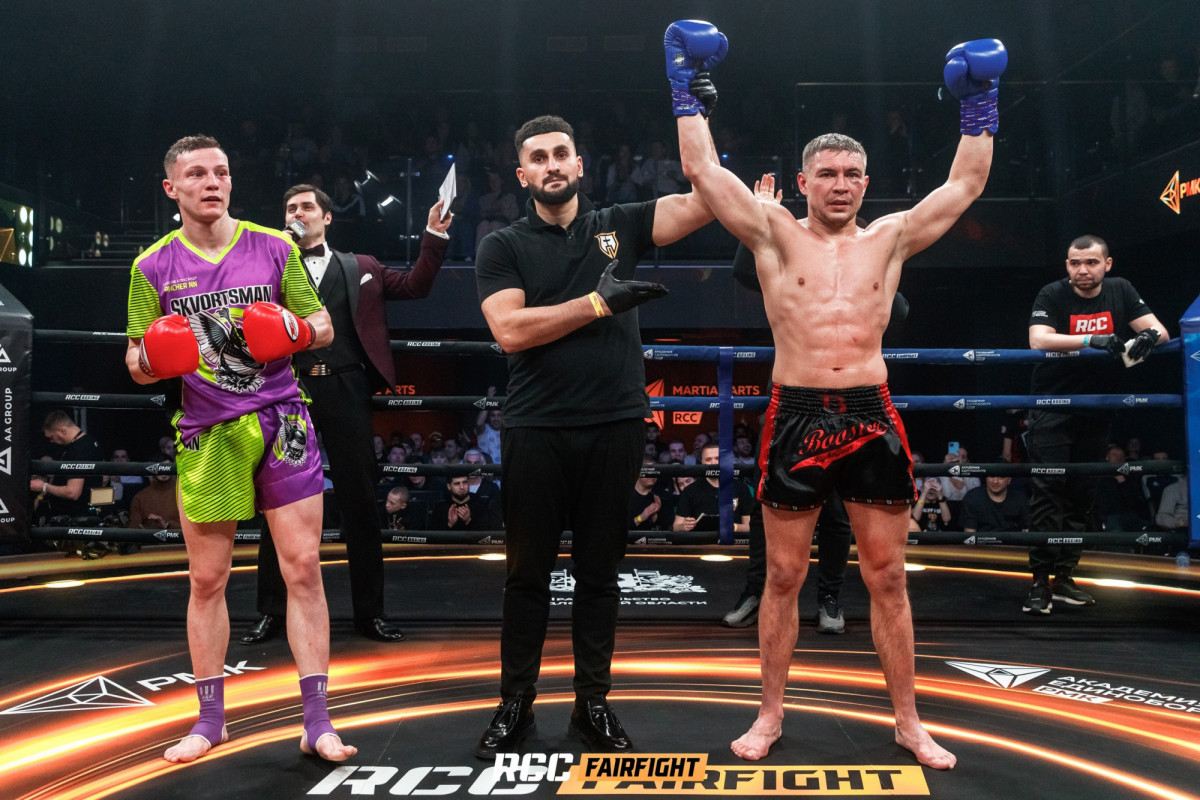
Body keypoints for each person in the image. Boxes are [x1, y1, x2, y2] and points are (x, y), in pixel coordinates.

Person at [677, 21, 1005, 768]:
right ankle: (769, 715)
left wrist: (979, 105)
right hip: (796, 413)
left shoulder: (890, 238)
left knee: (887, 577)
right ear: (804, 182)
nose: (840, 184)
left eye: (852, 174)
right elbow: (702, 170)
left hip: (868, 414)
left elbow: (965, 185)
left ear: (865, 182)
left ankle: (909, 722)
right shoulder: (771, 234)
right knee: (783, 576)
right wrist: (682, 91)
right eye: (826, 173)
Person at [472, 111, 714, 758]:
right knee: (526, 575)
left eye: (561, 153)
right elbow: (510, 331)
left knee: (601, 574)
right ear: (522, 174)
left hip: (614, 423)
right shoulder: (502, 245)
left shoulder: (621, 223)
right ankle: (515, 703)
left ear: (579, 164)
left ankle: (593, 704)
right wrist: (597, 304)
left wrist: (694, 110)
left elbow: (706, 199)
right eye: (538, 157)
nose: (551, 165)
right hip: (536, 426)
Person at [125, 134, 354, 763]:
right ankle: (210, 720)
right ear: (172, 188)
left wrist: (292, 330)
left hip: (282, 422)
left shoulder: (275, 246)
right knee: (207, 580)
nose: (212, 182)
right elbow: (135, 362)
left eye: (221, 172)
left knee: (303, 568)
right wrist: (157, 359)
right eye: (197, 174)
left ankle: (317, 721)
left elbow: (323, 327)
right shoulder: (150, 266)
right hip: (209, 433)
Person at [241, 184, 451, 647]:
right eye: (290, 208)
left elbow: (415, 286)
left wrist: (434, 236)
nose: (298, 213)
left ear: (327, 217)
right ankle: (271, 612)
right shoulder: (272, 267)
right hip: (290, 390)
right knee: (279, 501)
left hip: (347, 387)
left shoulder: (362, 266)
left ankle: (370, 613)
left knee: (360, 501)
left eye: (306, 206)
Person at [1024, 233, 1170, 614]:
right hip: (1053, 405)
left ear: (1107, 264)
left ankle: (1064, 577)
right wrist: (1091, 339)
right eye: (1075, 263)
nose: (1082, 270)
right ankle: (1039, 582)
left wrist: (1148, 336)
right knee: (1048, 492)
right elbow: (1038, 340)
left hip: (1097, 407)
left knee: (1082, 494)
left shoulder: (1120, 289)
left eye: (1090, 262)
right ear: (1067, 265)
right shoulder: (1053, 294)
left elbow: (1160, 330)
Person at [673, 442, 752, 533]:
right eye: (708, 459)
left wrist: (733, 527)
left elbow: (750, 526)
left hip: (732, 541)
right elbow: (676, 526)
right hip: (701, 541)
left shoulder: (741, 488)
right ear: (702, 462)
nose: (714, 463)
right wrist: (684, 526)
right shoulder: (690, 490)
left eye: (718, 458)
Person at [961, 474, 1030, 533]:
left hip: (1013, 543)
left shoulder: (1020, 498)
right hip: (982, 543)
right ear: (986, 478)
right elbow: (970, 534)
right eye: (991, 476)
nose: (995, 481)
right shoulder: (972, 497)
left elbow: (1026, 530)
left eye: (1001, 477)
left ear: (1009, 480)